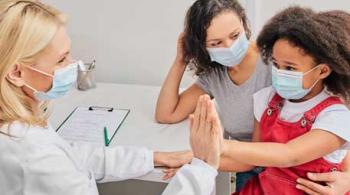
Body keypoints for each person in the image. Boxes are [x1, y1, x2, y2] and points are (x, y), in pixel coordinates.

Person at [0, 1, 220, 194]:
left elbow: (72, 157)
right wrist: (203, 167)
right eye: (61, 60)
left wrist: (155, 157)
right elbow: (56, 163)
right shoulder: (33, 155)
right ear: (16, 73)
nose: (73, 65)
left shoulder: (19, 128)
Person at [191, 6, 350, 195]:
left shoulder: (336, 116)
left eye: (290, 68)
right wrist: (199, 163)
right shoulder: (266, 99)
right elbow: (256, 157)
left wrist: (220, 144)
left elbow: (289, 155)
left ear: (323, 70)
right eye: (275, 64)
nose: (280, 74)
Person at [155, 0, 271, 190]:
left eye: (235, 35)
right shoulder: (215, 74)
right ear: (202, 48)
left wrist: (196, 161)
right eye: (216, 43)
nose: (229, 46)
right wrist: (180, 60)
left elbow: (262, 155)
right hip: (245, 164)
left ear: (243, 24)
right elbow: (167, 114)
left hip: (282, 165)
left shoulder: (274, 62)